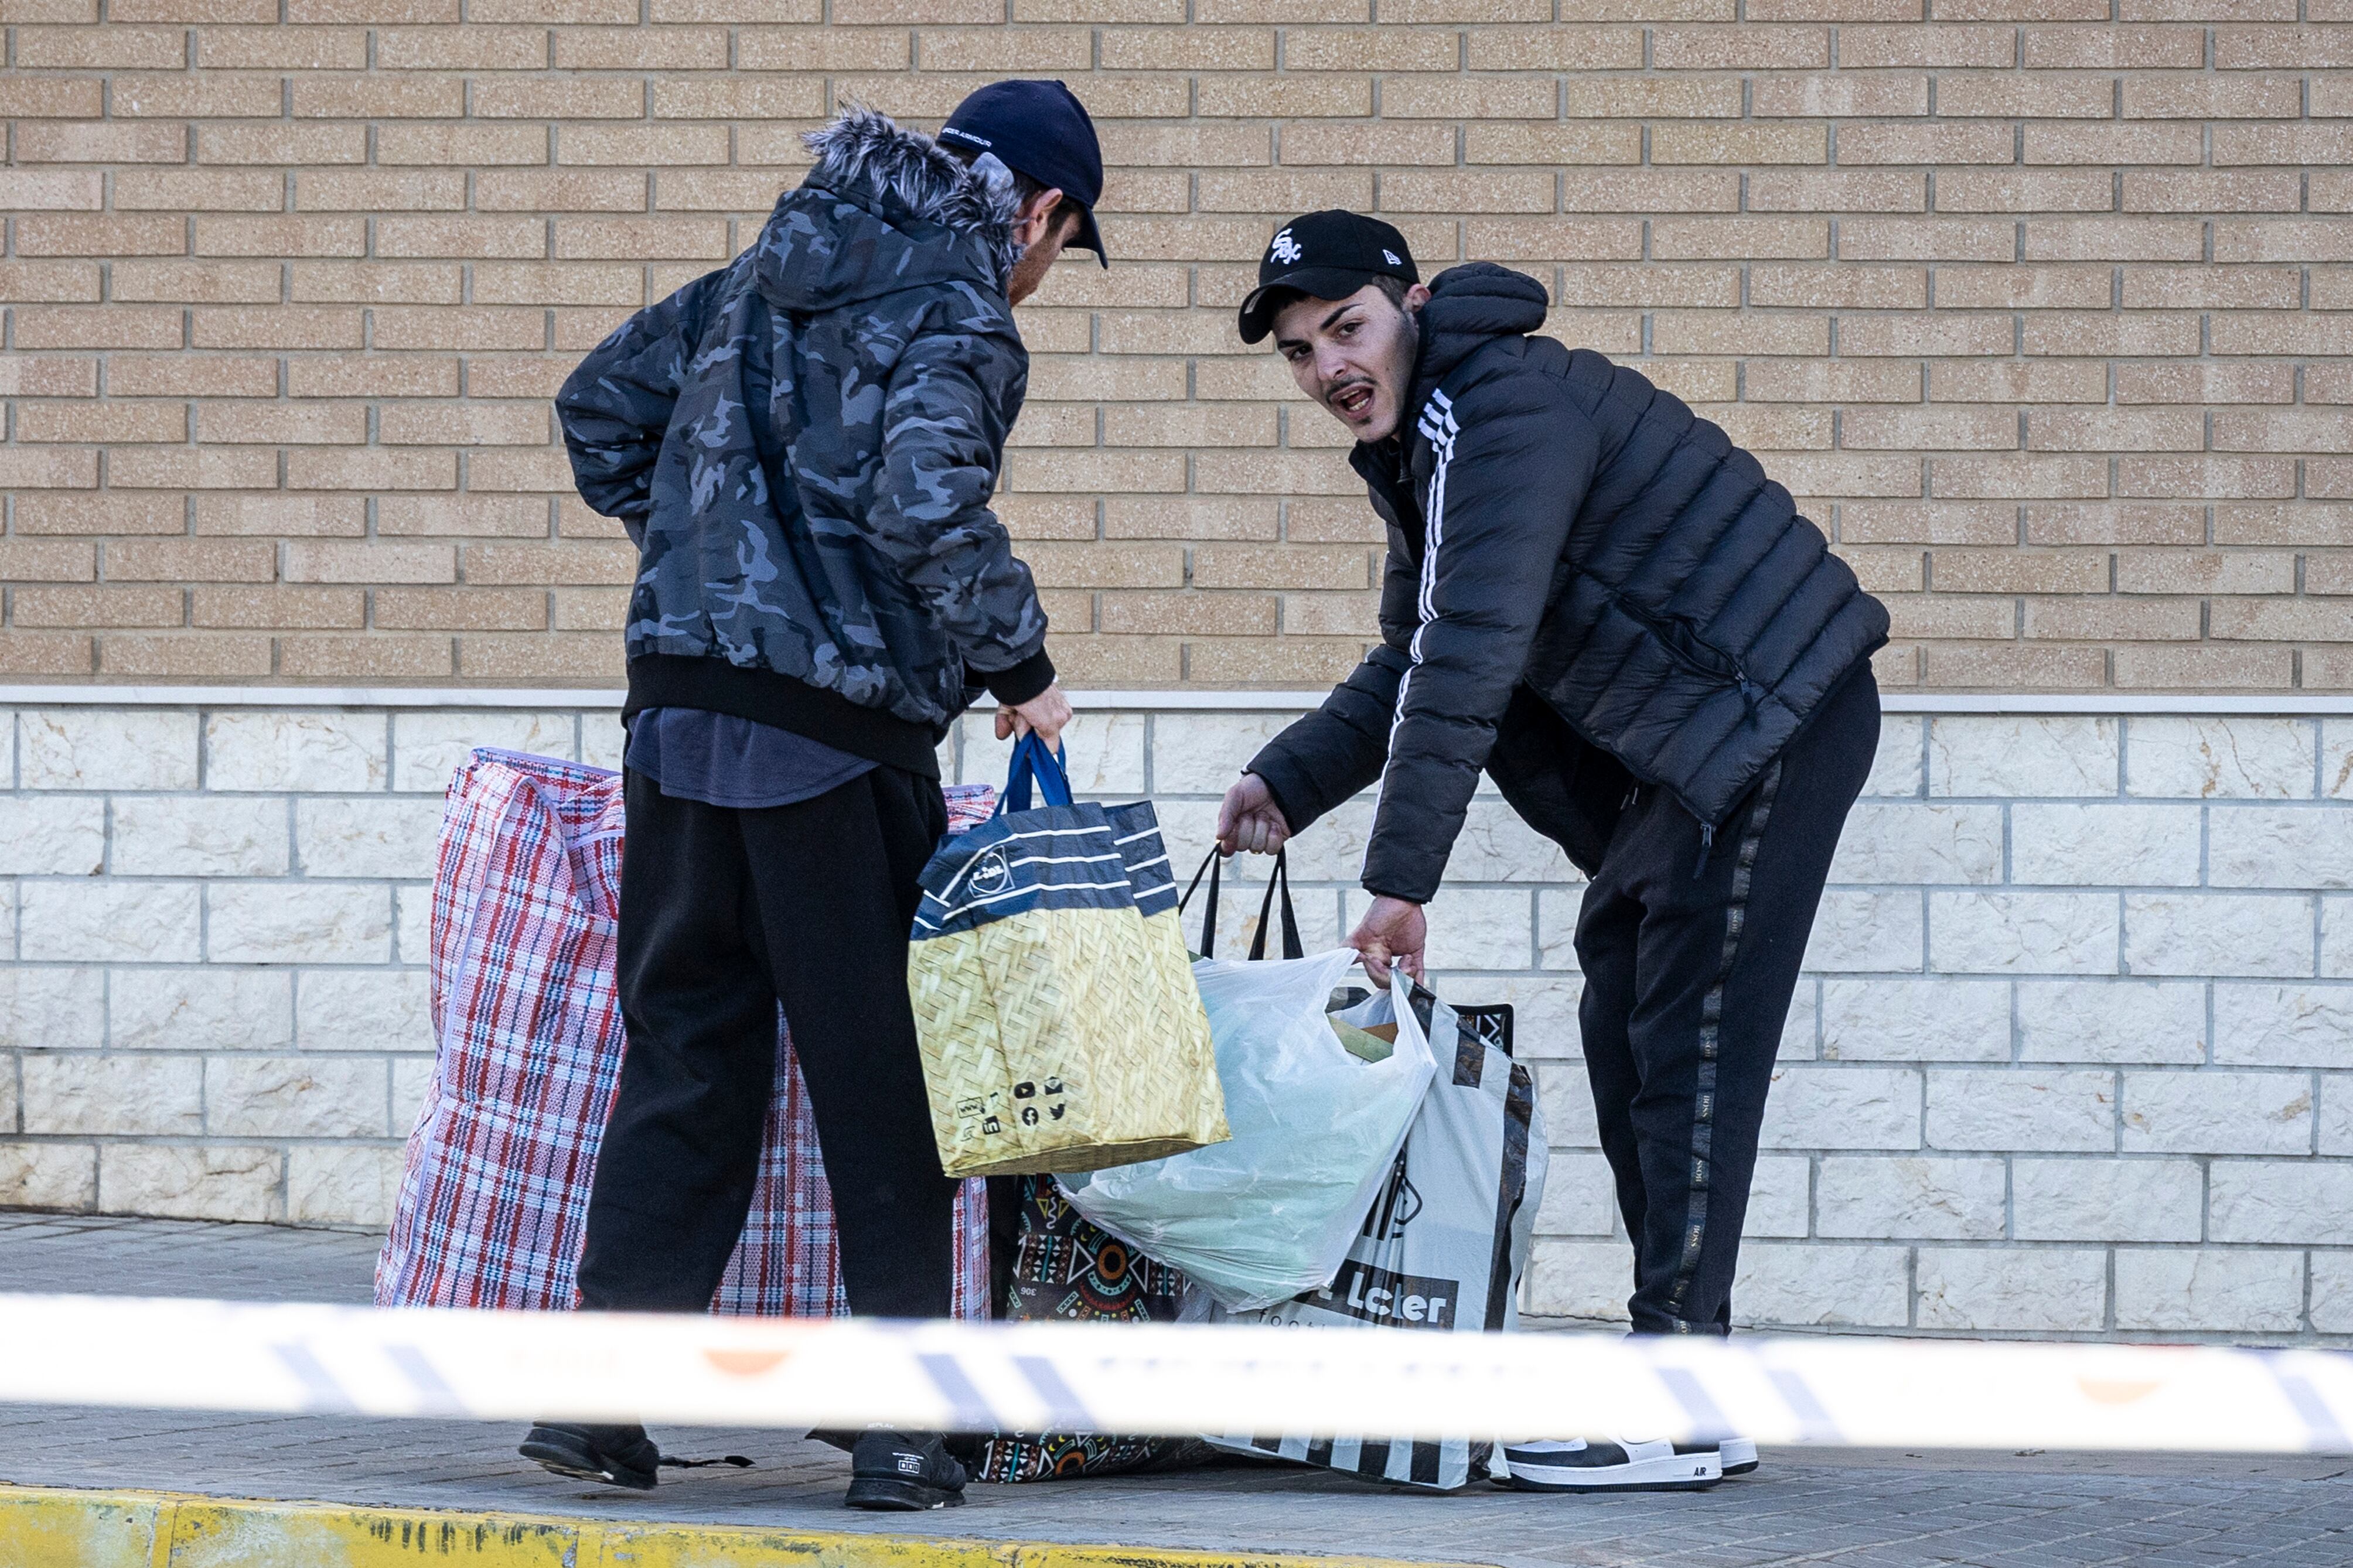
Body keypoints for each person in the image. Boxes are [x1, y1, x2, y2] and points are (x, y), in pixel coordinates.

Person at [1216, 211, 1889, 1491]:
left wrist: (1400, 884)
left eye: (1345, 329)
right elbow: (1419, 656)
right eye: (1302, 353)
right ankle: (1694, 1379)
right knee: (1627, 1016)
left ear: (1408, 302)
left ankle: (1680, 1393)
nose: (1327, 370)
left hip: (1771, 716)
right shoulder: (1429, 442)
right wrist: (1289, 778)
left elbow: (1469, 652)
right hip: (1695, 741)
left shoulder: (1500, 413)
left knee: (1687, 1042)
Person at [527, 82, 1107, 1512]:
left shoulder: (761, 272)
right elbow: (923, 504)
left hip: (674, 724)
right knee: (882, 1085)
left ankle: (600, 1399)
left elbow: (598, 406)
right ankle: (903, 1429)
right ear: (1034, 208)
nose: (1042, 270)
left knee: (687, 1059)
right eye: (1060, 239)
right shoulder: (962, 310)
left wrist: (708, 556)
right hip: (833, 747)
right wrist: (1020, 665)